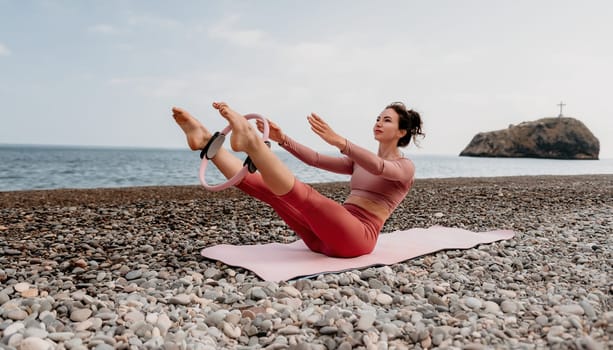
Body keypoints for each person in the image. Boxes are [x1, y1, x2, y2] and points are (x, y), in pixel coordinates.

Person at [172, 101, 424, 258]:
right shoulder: (359, 161)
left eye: (386, 120)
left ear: (402, 132)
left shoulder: (405, 167)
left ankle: (251, 142)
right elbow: (314, 159)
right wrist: (283, 139)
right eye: (378, 118)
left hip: (356, 238)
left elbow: (379, 167)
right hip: (318, 238)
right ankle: (206, 141)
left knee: (304, 195)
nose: (378, 123)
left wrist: (341, 142)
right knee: (270, 191)